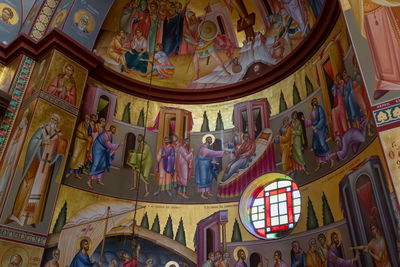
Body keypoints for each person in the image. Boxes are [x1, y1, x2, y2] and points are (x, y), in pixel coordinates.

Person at [7, 113, 67, 226]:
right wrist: (42, 142)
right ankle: (17, 213)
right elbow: (33, 141)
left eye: (55, 120)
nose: (53, 121)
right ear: (50, 119)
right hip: (35, 163)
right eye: (52, 119)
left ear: (57, 123)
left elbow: (60, 148)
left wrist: (59, 153)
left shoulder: (58, 134)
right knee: (27, 185)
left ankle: (32, 218)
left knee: (41, 190)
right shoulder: (43, 129)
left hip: (47, 166)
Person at [0, 109, 29, 199]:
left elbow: (19, 143)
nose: (21, 123)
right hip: (11, 152)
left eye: (23, 122)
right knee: (5, 170)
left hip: (14, 153)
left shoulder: (23, 132)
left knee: (7, 171)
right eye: (22, 121)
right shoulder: (18, 130)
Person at [88, 125, 122, 189]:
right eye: (114, 129)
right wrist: (118, 145)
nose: (114, 131)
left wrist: (112, 151)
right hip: (98, 149)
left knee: (103, 164)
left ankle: (99, 180)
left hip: (103, 150)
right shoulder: (105, 134)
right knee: (96, 163)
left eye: (115, 130)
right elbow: (108, 145)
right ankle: (89, 180)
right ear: (111, 129)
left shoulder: (110, 136)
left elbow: (109, 146)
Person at [195, 134, 228, 199]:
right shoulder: (203, 148)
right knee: (204, 178)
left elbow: (211, 155)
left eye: (211, 139)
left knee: (209, 178)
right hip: (203, 165)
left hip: (208, 164)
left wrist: (214, 162)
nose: (210, 140)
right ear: (206, 140)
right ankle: (202, 193)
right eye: (209, 139)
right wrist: (223, 152)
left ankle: (208, 191)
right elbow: (212, 153)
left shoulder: (209, 147)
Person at [309, 98, 333, 171]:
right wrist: (311, 125)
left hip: (320, 129)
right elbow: (311, 121)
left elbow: (322, 118)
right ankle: (318, 163)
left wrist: (317, 126)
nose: (315, 102)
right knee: (315, 146)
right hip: (315, 130)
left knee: (322, 144)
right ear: (312, 103)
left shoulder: (319, 108)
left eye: (316, 101)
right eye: (313, 101)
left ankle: (330, 159)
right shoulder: (312, 111)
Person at [66, 114, 92, 179]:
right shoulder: (81, 124)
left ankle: (77, 174)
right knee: (75, 157)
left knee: (81, 159)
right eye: (86, 118)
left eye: (88, 119)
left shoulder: (89, 127)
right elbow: (78, 133)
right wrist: (85, 137)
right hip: (79, 142)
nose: (87, 120)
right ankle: (70, 172)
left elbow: (90, 136)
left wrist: (89, 138)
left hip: (85, 144)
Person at [331, 74, 349, 139]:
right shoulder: (336, 86)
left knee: (343, 117)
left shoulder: (340, 83)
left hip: (341, 102)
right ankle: (341, 133)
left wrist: (337, 87)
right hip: (339, 102)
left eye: (338, 78)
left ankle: (345, 132)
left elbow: (341, 90)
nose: (337, 79)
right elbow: (334, 94)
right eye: (336, 78)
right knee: (338, 115)